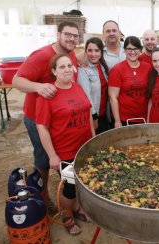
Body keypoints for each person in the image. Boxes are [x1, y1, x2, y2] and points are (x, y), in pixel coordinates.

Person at [12, 21, 80, 213]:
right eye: (68, 34)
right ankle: (42, 198)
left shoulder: (71, 54)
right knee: (43, 159)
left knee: (61, 155)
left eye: (75, 36)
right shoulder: (41, 55)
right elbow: (16, 80)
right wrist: (38, 87)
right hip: (37, 118)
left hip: (59, 117)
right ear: (58, 35)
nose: (72, 39)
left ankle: (69, 191)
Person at [36, 54, 95, 235]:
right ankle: (67, 215)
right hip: (65, 150)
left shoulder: (76, 87)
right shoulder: (48, 95)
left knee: (82, 182)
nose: (67, 69)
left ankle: (76, 207)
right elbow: (42, 128)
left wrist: (94, 138)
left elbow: (87, 113)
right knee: (69, 187)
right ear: (53, 71)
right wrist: (52, 155)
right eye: (62, 67)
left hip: (84, 147)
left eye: (69, 65)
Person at [108, 36, 151, 127]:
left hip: (143, 117)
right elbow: (113, 97)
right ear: (124, 50)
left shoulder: (148, 68)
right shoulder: (117, 70)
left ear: (140, 50)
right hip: (124, 119)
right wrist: (117, 121)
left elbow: (151, 94)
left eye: (135, 49)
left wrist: (149, 117)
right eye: (129, 49)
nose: (132, 52)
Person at [77, 37, 110, 134]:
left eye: (96, 50)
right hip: (93, 116)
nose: (93, 54)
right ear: (85, 52)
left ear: (101, 52)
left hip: (104, 114)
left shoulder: (103, 66)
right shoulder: (83, 70)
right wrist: (94, 116)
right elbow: (86, 96)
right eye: (90, 50)